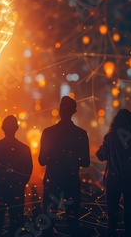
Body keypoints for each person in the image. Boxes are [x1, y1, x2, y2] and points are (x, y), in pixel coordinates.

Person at [38, 96, 90, 236]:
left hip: (52, 182)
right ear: (74, 111)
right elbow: (86, 162)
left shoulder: (48, 132)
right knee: (73, 223)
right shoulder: (81, 134)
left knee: (48, 223)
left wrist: (55, 158)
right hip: (71, 182)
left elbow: (42, 160)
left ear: (60, 111)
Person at [96, 109, 131, 237]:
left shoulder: (110, 137)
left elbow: (101, 156)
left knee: (111, 220)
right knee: (129, 219)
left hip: (113, 182)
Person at [0, 115, 33, 236]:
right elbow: (28, 171)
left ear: (2, 128)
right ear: (17, 128)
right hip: (16, 191)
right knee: (16, 226)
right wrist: (20, 184)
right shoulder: (24, 149)